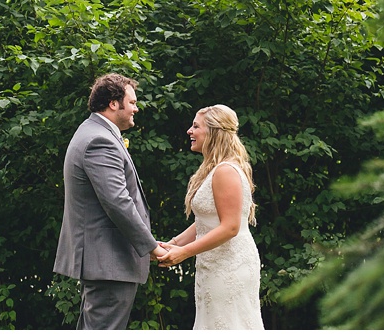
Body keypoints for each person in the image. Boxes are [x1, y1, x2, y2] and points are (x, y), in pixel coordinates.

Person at [53, 73, 167, 329]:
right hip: (109, 260)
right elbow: (117, 202)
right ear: (114, 103)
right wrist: (151, 247)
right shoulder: (99, 140)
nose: (136, 108)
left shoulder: (93, 131)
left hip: (105, 261)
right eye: (133, 102)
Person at [156, 105, 264, 330]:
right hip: (213, 264)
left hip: (230, 265)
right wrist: (172, 245)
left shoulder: (225, 171)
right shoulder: (214, 170)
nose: (189, 131)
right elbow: (206, 221)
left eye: (196, 126)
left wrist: (183, 253)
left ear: (214, 131)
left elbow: (230, 227)